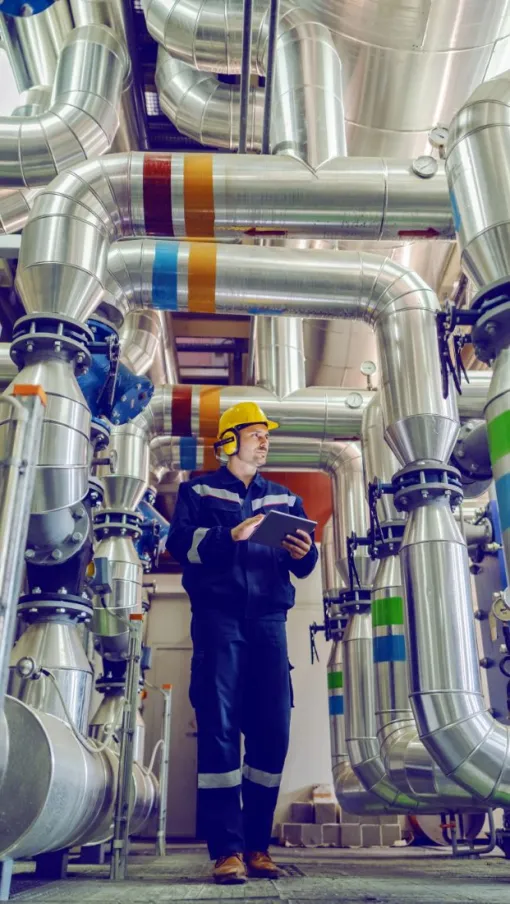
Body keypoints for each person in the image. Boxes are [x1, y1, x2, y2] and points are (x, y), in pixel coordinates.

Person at [166, 401, 318, 884]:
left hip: (269, 622)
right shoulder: (198, 491)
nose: (265, 440)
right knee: (220, 730)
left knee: (273, 731)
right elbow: (180, 546)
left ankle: (257, 846)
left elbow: (301, 565)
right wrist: (226, 535)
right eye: (255, 433)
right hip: (219, 621)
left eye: (266, 435)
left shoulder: (285, 499)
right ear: (229, 441)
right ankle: (226, 850)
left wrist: (306, 552)